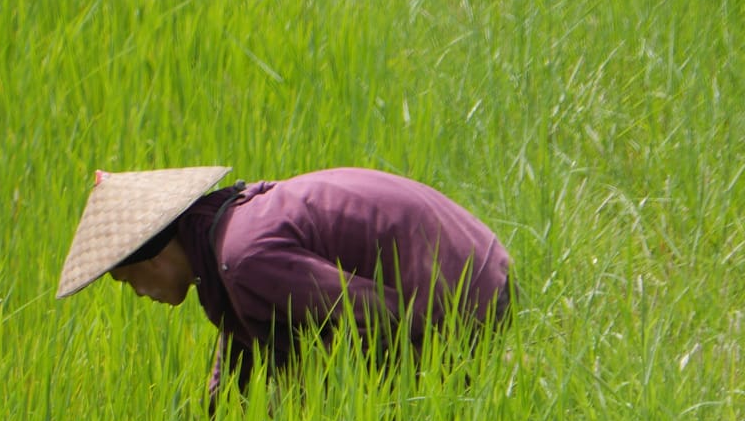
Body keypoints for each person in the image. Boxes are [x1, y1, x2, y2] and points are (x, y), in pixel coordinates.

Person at [57, 165, 512, 407]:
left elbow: (379, 314)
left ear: (155, 253)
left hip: (468, 297)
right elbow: (242, 344)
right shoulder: (229, 234)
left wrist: (322, 400)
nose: (137, 293)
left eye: (127, 278)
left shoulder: (244, 257)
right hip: (477, 264)